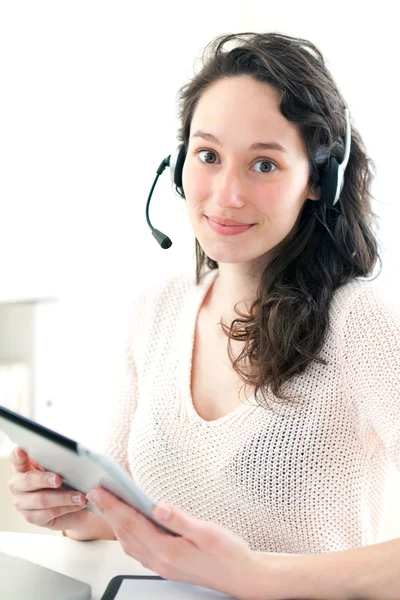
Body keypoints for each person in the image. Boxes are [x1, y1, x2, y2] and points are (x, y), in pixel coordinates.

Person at [8, 32, 400, 599]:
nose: (225, 193)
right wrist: (70, 507)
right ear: (177, 163)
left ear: (318, 182)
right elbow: (134, 510)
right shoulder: (157, 309)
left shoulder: (357, 322)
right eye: (208, 155)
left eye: (263, 164)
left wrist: (257, 578)